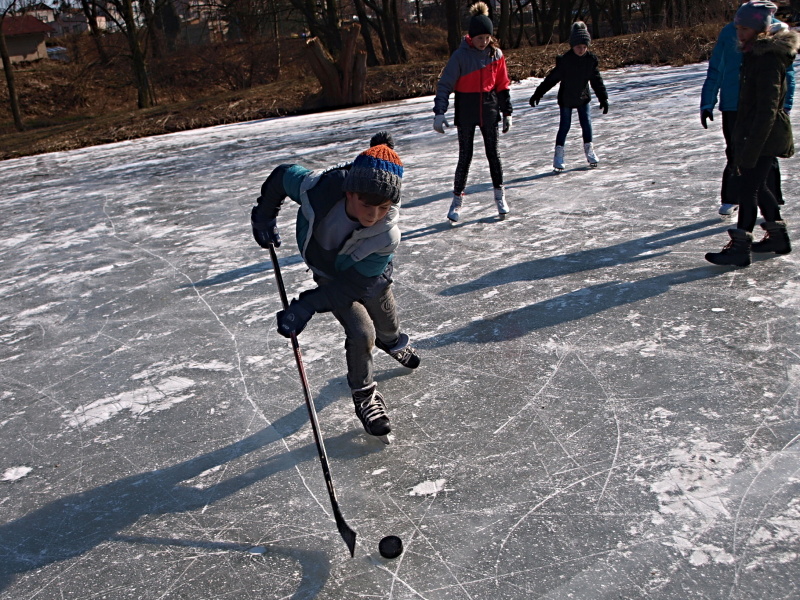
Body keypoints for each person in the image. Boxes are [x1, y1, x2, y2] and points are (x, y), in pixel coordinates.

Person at [250, 132, 420, 441]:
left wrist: (307, 304)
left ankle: (393, 342)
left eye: (384, 207)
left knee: (386, 324)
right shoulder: (319, 189)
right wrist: (264, 216)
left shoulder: (386, 235)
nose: (374, 215)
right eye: (367, 205)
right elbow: (282, 176)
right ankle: (365, 396)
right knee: (361, 332)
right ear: (349, 192)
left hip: (368, 276)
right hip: (328, 272)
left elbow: (353, 286)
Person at [705, 1, 796, 267]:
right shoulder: (755, 52)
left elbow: (767, 108)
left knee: (748, 188)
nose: (739, 33)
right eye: (738, 28)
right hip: (758, 132)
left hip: (764, 134)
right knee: (759, 185)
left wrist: (752, 145)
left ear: (760, 29)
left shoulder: (768, 57)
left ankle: (740, 247)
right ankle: (778, 238)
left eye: (745, 28)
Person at [433, 1, 513, 224]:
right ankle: (456, 201)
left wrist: (507, 112)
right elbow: (445, 84)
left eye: (487, 37)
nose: (484, 42)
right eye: (480, 38)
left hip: (489, 109)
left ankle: (500, 196)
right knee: (465, 157)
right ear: (471, 36)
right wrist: (439, 112)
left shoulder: (496, 55)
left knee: (493, 154)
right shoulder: (460, 56)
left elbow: (502, 85)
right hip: (466, 110)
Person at [529, 21, 609, 172]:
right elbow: (552, 79)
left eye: (584, 47)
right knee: (564, 126)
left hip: (583, 97)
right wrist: (538, 93)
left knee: (586, 124)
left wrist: (603, 98)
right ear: (572, 46)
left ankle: (590, 152)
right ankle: (558, 157)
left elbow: (596, 81)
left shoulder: (590, 60)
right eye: (578, 47)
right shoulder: (565, 61)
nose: (581, 50)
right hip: (566, 98)